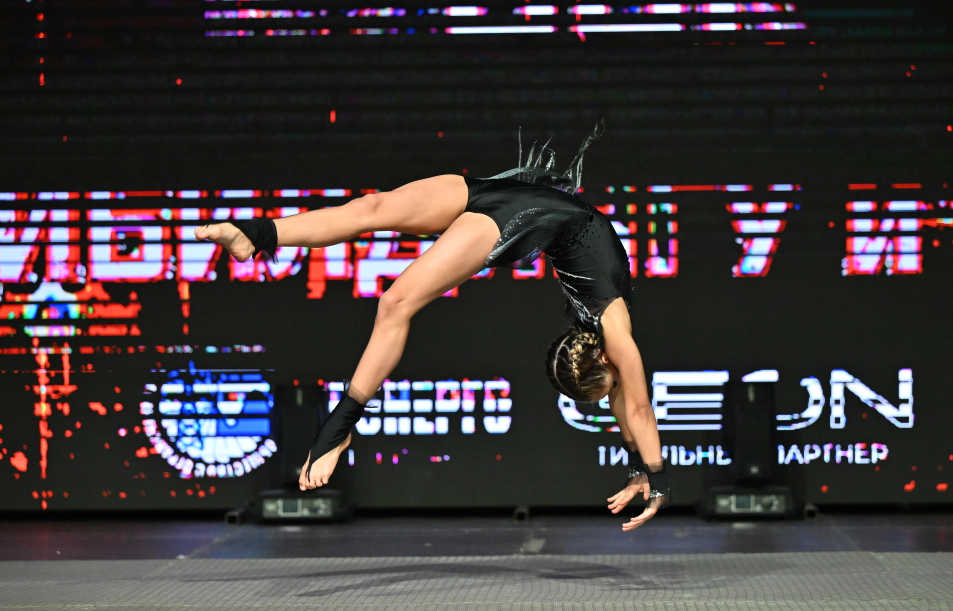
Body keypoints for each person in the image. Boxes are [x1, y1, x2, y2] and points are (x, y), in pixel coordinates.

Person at [196, 127, 668, 530]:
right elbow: (638, 409)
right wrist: (658, 483)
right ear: (605, 363)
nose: (614, 395)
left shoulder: (603, 339)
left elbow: (623, 405)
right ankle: (337, 423)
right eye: (608, 389)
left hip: (517, 200)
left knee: (375, 221)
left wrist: (636, 467)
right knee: (390, 282)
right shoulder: (615, 334)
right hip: (519, 216)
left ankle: (257, 237)